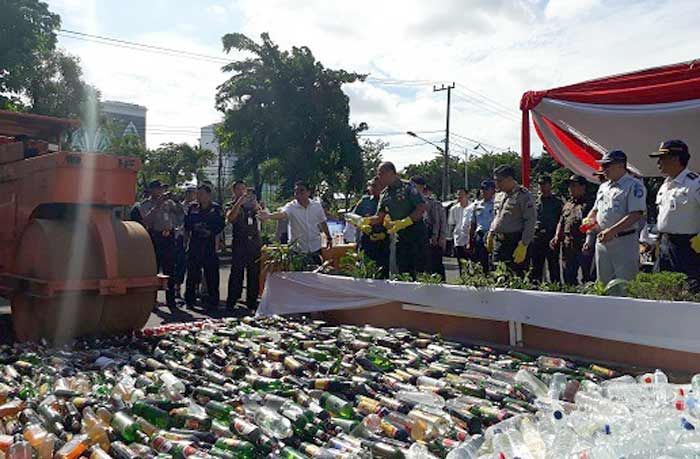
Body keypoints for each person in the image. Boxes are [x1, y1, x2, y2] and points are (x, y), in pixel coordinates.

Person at [585, 150, 646, 284]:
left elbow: (635, 214)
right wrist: (589, 220)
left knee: (625, 283)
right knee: (603, 283)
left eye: (607, 166)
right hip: (603, 241)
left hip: (624, 241)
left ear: (620, 166)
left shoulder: (634, 185)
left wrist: (612, 231)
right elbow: (595, 210)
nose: (603, 169)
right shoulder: (603, 187)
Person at [650, 140, 700, 291]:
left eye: (662, 158)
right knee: (661, 287)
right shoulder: (665, 185)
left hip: (688, 245)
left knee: (688, 289)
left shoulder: (695, 183)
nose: (658, 162)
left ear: (676, 159)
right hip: (665, 243)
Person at [368, 162, 428, 279]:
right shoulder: (384, 194)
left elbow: (421, 207)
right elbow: (379, 217)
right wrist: (364, 221)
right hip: (401, 236)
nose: (379, 177)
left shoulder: (408, 187)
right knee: (403, 271)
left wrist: (406, 221)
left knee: (420, 271)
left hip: (417, 233)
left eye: (381, 174)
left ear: (391, 173)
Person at [259, 181, 332, 266]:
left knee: (316, 276)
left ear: (308, 192)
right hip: (298, 251)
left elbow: (322, 222)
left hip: (315, 248)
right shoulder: (291, 207)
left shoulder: (317, 206)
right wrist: (269, 216)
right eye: (296, 191)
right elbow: (282, 215)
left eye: (301, 191)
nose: (298, 194)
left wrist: (329, 237)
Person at [139, 180, 183, 309]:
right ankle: (152, 301)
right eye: (158, 189)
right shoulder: (146, 204)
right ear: (152, 190)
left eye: (162, 189)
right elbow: (146, 220)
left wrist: (176, 200)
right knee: (154, 269)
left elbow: (180, 214)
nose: (161, 191)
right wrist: (157, 205)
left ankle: (171, 301)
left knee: (170, 269)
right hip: (155, 236)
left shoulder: (169, 203)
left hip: (168, 236)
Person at [487, 165, 536, 276]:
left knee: (514, 276)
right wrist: (491, 232)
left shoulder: (524, 196)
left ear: (510, 179)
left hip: (514, 242)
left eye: (499, 181)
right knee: (497, 274)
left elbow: (530, 221)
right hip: (499, 242)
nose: (496, 184)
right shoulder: (499, 195)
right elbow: (497, 216)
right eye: (495, 181)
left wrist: (524, 244)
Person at [184, 183, 225, 309]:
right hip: (195, 244)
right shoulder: (192, 207)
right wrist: (194, 228)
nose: (199, 197)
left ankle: (213, 301)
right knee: (192, 274)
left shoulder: (216, 208)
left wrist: (211, 232)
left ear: (208, 195)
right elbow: (187, 224)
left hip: (209, 244)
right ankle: (190, 300)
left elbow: (221, 225)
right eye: (198, 194)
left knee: (211, 274)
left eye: (202, 194)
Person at [550, 175, 595, 285]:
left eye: (574, 186)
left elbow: (592, 224)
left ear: (583, 187)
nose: (570, 189)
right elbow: (561, 221)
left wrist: (588, 241)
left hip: (583, 244)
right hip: (568, 245)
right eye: (570, 186)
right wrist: (557, 236)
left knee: (587, 276)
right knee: (568, 275)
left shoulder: (589, 204)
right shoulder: (568, 204)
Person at [226, 181, 262, 310]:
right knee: (236, 273)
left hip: (254, 242)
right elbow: (230, 218)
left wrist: (256, 205)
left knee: (253, 273)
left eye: (243, 189)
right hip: (240, 242)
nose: (242, 192)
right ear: (234, 191)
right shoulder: (232, 205)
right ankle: (232, 300)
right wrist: (239, 202)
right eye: (239, 189)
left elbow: (262, 217)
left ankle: (251, 301)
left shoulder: (252, 206)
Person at [351, 177, 389, 277]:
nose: (373, 188)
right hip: (367, 240)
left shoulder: (389, 201)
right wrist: (362, 225)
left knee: (383, 272)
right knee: (365, 270)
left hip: (384, 242)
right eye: (372, 185)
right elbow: (352, 218)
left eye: (376, 186)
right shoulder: (364, 201)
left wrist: (385, 233)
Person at [411, 178, 447, 280]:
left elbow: (436, 221)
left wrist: (436, 236)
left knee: (434, 265)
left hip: (430, 237)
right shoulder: (412, 201)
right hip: (417, 237)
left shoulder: (432, 203)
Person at [530, 175, 563, 283]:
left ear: (550, 185)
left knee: (553, 266)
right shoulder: (535, 202)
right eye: (540, 185)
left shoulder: (557, 202)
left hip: (551, 237)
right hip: (537, 237)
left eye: (544, 184)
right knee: (536, 267)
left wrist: (557, 236)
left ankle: (556, 289)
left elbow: (561, 220)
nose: (542, 187)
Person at [467, 180, 496, 273]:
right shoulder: (477, 205)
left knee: (491, 262)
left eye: (487, 189)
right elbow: (473, 224)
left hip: (491, 235)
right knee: (479, 263)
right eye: (482, 189)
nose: (484, 191)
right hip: (479, 235)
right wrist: (470, 240)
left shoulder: (497, 204)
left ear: (493, 190)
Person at [449, 188, 471, 274]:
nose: (459, 196)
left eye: (461, 194)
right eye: (458, 194)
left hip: (469, 238)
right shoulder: (454, 209)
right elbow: (452, 223)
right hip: (458, 238)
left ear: (467, 195)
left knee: (471, 261)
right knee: (460, 261)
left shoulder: (472, 207)